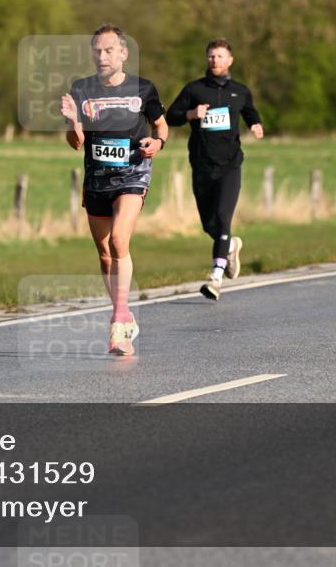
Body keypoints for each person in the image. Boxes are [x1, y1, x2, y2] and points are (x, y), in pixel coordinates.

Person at [60, 24, 168, 356]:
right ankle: (125, 313)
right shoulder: (81, 89)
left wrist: (158, 142)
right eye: (97, 51)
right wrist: (72, 124)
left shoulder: (143, 88)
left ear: (123, 53)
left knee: (121, 240)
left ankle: (119, 319)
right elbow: (75, 141)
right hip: (97, 178)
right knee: (106, 253)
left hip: (133, 171)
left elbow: (160, 124)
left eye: (109, 50)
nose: (102, 56)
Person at [166, 39, 264, 300]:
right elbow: (169, 117)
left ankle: (216, 276)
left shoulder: (240, 91)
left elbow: (251, 112)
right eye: (211, 56)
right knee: (209, 224)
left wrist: (256, 125)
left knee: (223, 217)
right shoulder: (194, 89)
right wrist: (190, 114)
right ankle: (230, 244)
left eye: (220, 56)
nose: (215, 61)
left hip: (230, 165)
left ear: (230, 60)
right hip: (201, 164)